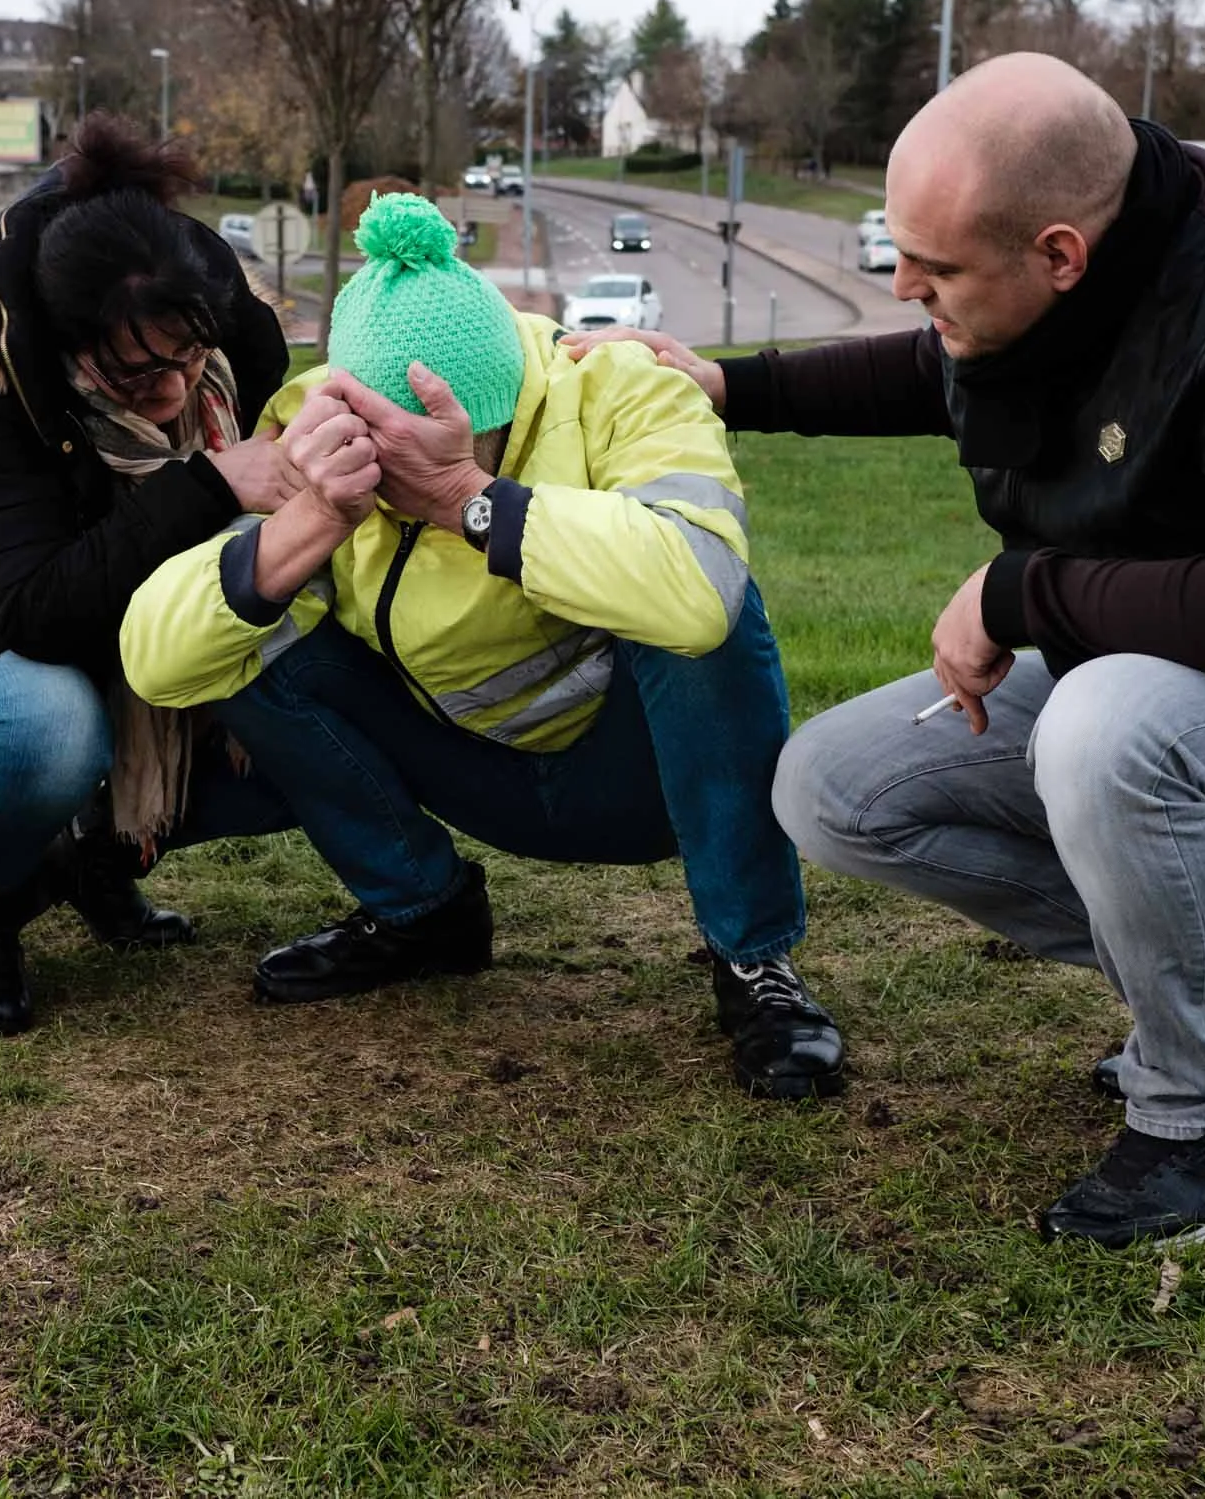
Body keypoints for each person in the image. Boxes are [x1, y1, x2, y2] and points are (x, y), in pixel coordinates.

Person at [570, 52, 1205, 1247]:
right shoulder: (1061, 274)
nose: (903, 282)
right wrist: (730, 384)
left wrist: (1023, 590)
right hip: (1193, 697)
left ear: (1060, 252)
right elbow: (938, 360)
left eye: (934, 266)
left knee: (1105, 725)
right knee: (833, 788)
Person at [119, 194, 844, 1101]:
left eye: (431, 442)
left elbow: (699, 594)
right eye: (380, 445)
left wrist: (467, 496)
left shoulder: (621, 387)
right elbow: (155, 656)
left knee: (707, 602)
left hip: (645, 774)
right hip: (472, 769)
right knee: (247, 618)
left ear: (496, 410)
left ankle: (753, 960)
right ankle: (421, 912)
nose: (396, 471)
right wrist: (308, 520)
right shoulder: (315, 426)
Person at [0, 114, 303, 1036]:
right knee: (51, 731)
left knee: (321, 708)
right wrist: (208, 482)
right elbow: (33, 608)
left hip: (148, 637)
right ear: (63, 340)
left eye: (185, 355)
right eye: (134, 376)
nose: (172, 390)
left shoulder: (224, 343)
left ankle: (99, 859)